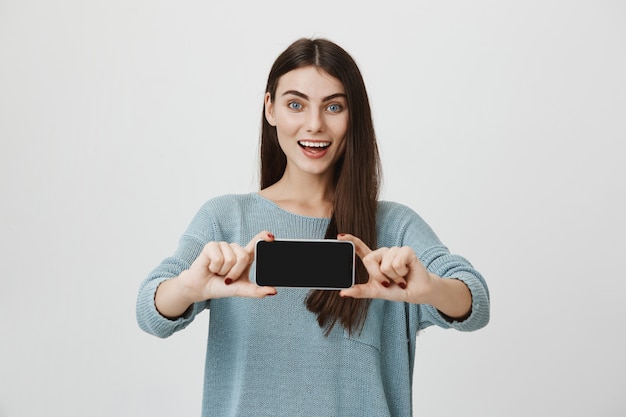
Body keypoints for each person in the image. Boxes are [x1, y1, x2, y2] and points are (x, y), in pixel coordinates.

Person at [136, 37, 490, 417]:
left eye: (333, 106)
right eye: (295, 104)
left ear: (353, 116)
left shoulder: (394, 226)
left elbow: (475, 300)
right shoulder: (225, 218)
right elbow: (150, 311)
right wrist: (190, 286)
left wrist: (431, 289)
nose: (315, 124)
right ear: (270, 108)